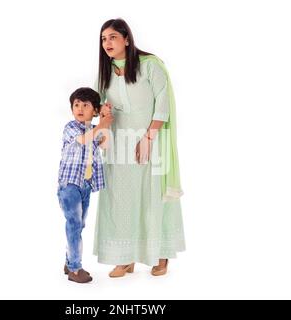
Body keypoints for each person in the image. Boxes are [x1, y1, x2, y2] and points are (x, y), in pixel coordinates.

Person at [93, 18, 185, 277]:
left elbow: (163, 104)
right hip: (119, 143)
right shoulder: (106, 71)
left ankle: (161, 254)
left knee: (153, 197)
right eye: (103, 39)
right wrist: (103, 111)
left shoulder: (150, 66)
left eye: (112, 37)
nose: (107, 43)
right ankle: (126, 257)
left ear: (127, 39)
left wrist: (148, 137)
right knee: (120, 200)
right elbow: (101, 103)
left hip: (151, 140)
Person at [57, 87, 113, 283]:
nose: (79, 108)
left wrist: (105, 119)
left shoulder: (94, 130)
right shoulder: (71, 127)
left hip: (85, 185)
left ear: (94, 111)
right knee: (73, 224)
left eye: (85, 105)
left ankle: (69, 261)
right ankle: (74, 268)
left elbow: (104, 144)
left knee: (79, 225)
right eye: (76, 105)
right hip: (69, 185)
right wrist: (102, 123)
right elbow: (82, 140)